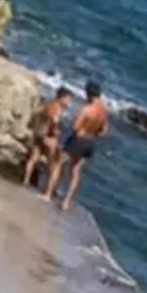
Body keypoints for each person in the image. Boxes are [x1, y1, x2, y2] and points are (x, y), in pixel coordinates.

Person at [49, 81, 110, 212]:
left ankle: (48, 193)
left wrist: (80, 130)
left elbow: (76, 126)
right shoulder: (104, 111)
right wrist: (93, 133)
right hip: (90, 143)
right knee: (75, 171)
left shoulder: (87, 109)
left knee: (58, 163)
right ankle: (66, 202)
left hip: (78, 140)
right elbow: (104, 132)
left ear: (89, 94)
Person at [22, 86, 72, 192]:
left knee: (33, 157)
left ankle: (25, 180)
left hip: (40, 133)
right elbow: (54, 122)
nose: (69, 102)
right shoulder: (56, 108)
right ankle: (48, 188)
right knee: (53, 164)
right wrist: (56, 132)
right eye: (68, 99)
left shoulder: (49, 104)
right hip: (49, 137)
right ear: (61, 98)